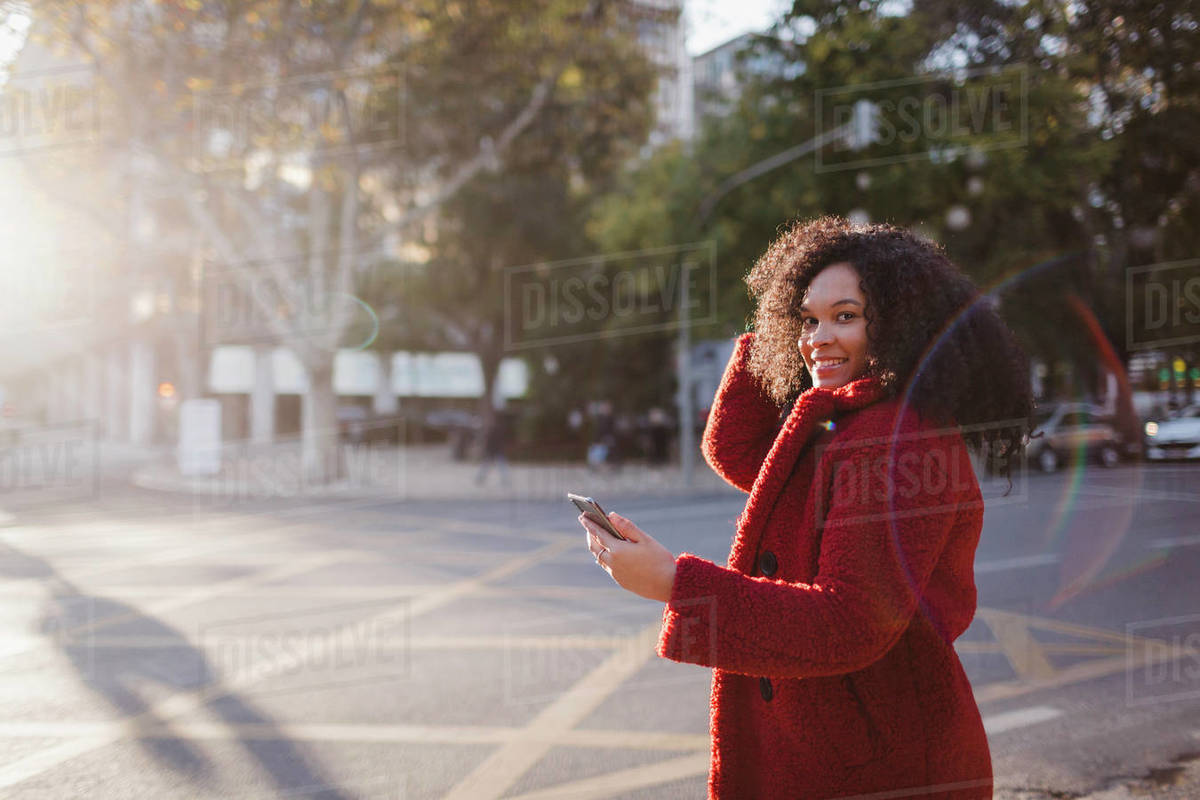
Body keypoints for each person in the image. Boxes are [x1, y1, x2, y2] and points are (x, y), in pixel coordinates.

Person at [578, 216, 1033, 799]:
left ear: (899, 326)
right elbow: (737, 448)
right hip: (833, 747)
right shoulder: (848, 418)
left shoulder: (898, 438)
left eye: (845, 316)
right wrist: (768, 329)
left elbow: (851, 622)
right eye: (806, 318)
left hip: (878, 765)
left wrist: (673, 583)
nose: (818, 336)